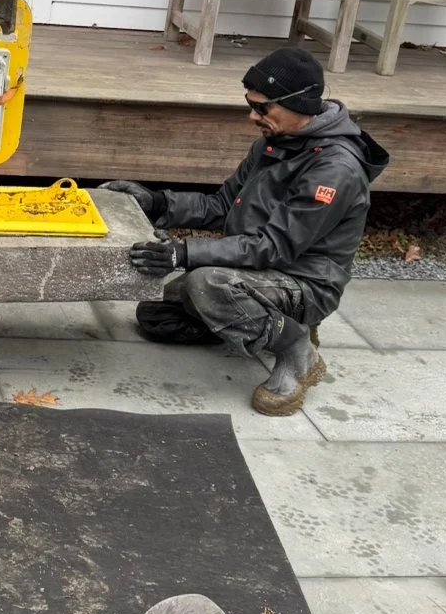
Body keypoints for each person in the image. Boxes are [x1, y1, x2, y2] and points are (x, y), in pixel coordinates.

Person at [102, 46, 387, 416]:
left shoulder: (335, 169)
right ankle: (271, 323)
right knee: (157, 316)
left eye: (262, 107)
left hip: (304, 281)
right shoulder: (273, 142)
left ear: (298, 103)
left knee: (205, 285)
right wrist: (155, 202)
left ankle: (297, 350)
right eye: (250, 104)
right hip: (259, 270)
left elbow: (274, 247)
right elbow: (222, 206)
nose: (252, 116)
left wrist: (181, 254)